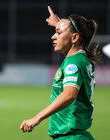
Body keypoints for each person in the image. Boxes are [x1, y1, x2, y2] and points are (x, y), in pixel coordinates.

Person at [20, 6, 101, 140]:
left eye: (58, 32)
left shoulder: (73, 64)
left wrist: (37, 118)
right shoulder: (81, 58)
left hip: (70, 137)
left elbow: (69, 94)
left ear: (75, 38)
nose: (53, 36)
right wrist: (58, 24)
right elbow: (72, 33)